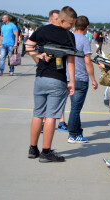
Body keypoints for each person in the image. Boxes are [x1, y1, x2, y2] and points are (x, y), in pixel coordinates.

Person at [25, 6, 77, 162]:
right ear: (62, 20)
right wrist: (72, 82)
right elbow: (71, 61)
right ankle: (46, 152)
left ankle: (33, 149)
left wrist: (38, 56)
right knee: (51, 116)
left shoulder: (42, 30)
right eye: (71, 23)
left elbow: (28, 46)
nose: (72, 27)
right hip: (57, 79)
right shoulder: (69, 36)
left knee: (37, 114)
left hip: (40, 78)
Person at [67, 16, 98, 144]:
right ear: (86, 27)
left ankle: (78, 133)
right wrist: (93, 79)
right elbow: (87, 61)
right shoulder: (84, 40)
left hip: (69, 77)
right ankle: (72, 134)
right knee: (75, 109)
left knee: (75, 106)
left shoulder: (68, 37)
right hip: (81, 78)